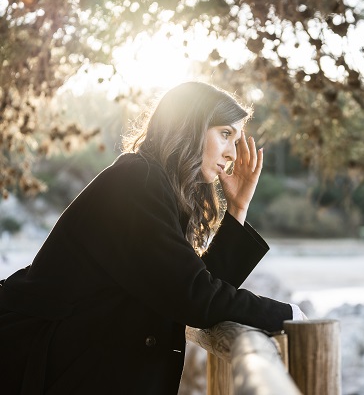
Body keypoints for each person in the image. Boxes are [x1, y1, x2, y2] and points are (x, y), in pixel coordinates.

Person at [0, 82, 306, 394]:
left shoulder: (154, 184)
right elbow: (194, 296)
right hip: (46, 367)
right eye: (225, 134)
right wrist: (290, 315)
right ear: (190, 126)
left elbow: (195, 285)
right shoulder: (137, 181)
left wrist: (238, 207)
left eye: (237, 139)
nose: (232, 153)